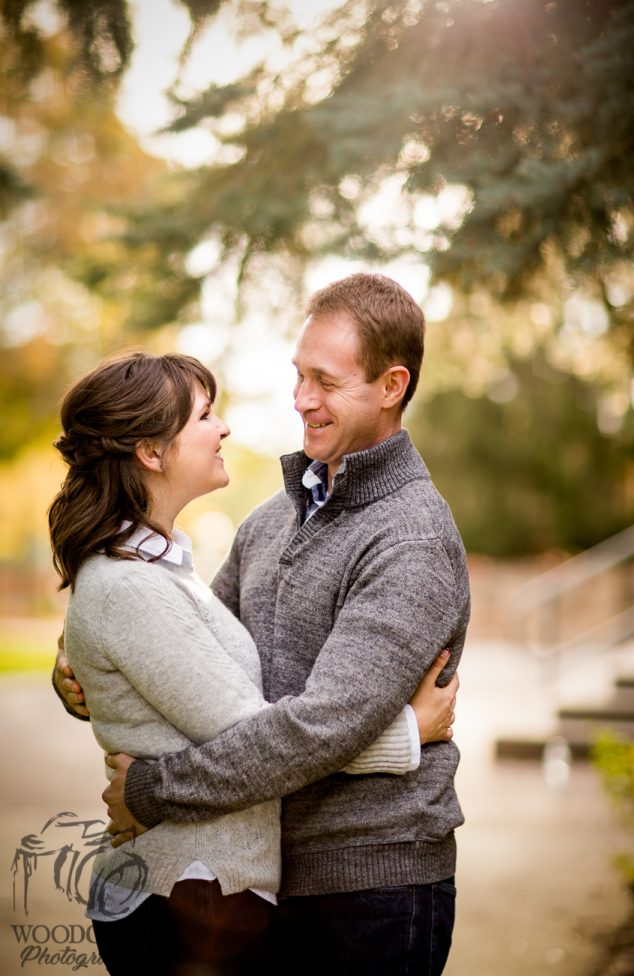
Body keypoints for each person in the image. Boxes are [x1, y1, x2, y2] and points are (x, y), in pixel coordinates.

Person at [56, 272, 469, 975]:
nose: (302, 399)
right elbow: (186, 648)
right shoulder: (271, 520)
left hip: (368, 885)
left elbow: (319, 729)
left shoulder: (409, 536)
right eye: (298, 375)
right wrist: (84, 672)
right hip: (261, 881)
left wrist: (151, 791)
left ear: (391, 385)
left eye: (327, 382)